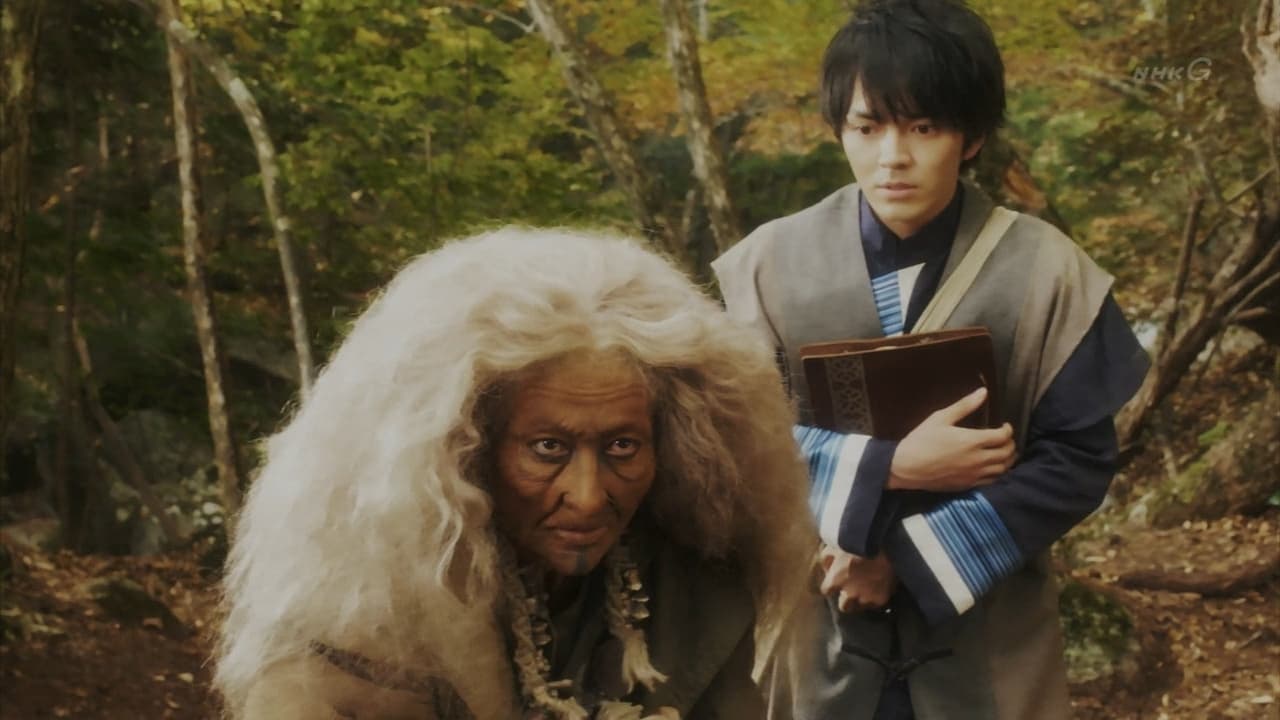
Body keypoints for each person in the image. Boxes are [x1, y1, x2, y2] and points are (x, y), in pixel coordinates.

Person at [712, 1, 1151, 718]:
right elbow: (732, 442)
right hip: (818, 623)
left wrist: (901, 559)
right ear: (838, 128)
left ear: (971, 135)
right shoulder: (765, 267)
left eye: (923, 127)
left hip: (991, 635)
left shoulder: (1049, 272)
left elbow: (1078, 459)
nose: (892, 157)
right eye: (867, 127)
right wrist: (891, 466)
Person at [213, 227, 819, 720]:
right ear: (465, 448)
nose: (588, 497)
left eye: (622, 446)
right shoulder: (358, 620)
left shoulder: (697, 585)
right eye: (549, 448)